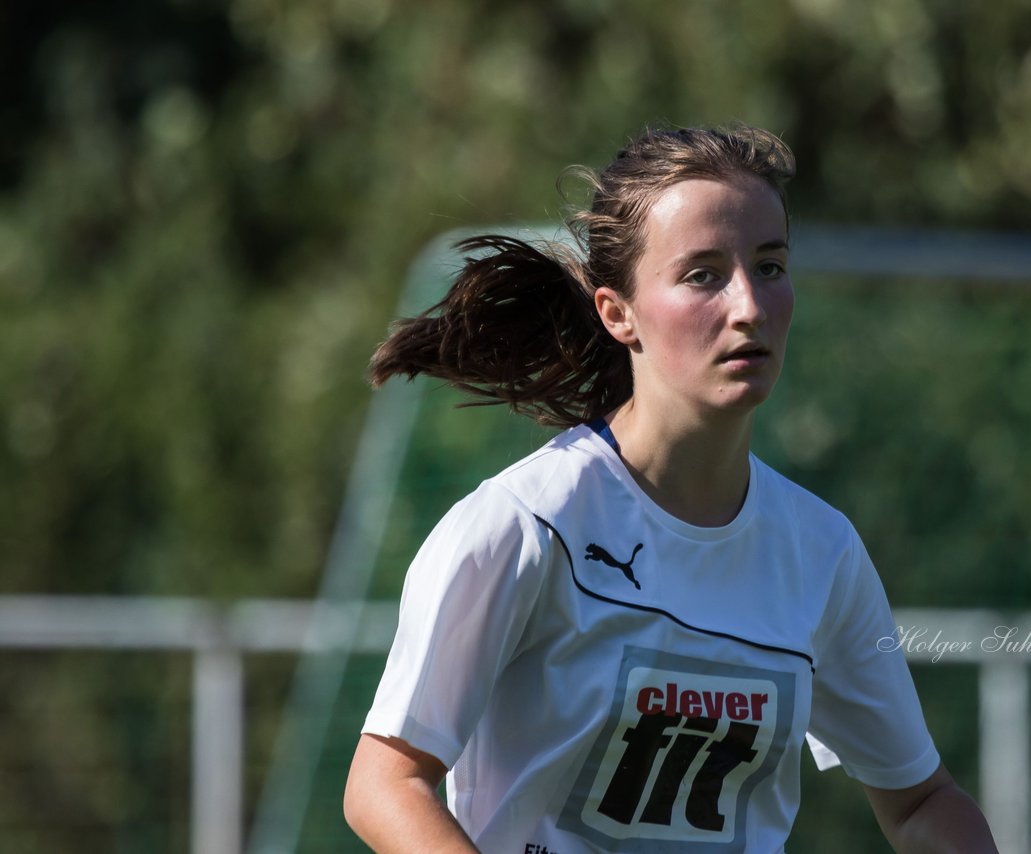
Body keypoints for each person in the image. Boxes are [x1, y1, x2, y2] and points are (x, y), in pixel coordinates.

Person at [344, 125, 998, 853]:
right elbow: (385, 784)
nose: (750, 305)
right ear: (616, 312)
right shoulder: (525, 525)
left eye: (771, 266)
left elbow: (921, 802)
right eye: (703, 275)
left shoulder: (820, 551)